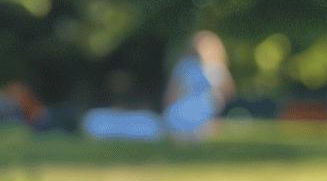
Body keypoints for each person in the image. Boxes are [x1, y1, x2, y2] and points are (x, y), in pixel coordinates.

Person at [80, 31, 233, 141]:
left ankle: (187, 133)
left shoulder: (213, 68)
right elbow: (173, 93)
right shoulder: (189, 66)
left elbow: (225, 93)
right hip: (189, 110)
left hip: (201, 110)